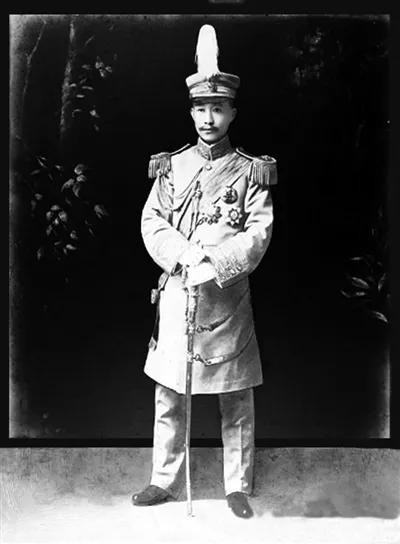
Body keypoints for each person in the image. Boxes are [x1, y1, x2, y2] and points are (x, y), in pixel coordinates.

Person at [132, 24, 277, 519]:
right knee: (170, 392)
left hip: (227, 298)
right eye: (201, 108)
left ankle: (237, 485)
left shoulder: (250, 170)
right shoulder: (170, 167)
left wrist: (215, 263)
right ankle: (163, 479)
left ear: (233, 112)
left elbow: (258, 232)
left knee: (235, 395)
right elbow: (152, 221)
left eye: (218, 108)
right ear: (191, 112)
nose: (209, 118)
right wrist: (185, 257)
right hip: (179, 293)